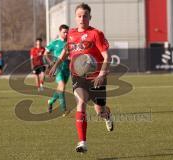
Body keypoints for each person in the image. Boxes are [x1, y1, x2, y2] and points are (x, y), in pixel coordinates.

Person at [49, 3, 113, 153]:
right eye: (79, 16)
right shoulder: (71, 34)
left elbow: (106, 56)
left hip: (96, 76)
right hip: (78, 76)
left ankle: (107, 115)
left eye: (85, 16)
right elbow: (66, 51)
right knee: (81, 103)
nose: (82, 18)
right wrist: (56, 64)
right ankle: (82, 142)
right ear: (75, 18)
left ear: (90, 17)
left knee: (99, 110)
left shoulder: (96, 34)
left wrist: (103, 73)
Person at [44, 24, 70, 117]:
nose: (66, 34)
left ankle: (51, 101)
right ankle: (64, 110)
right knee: (62, 86)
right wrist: (50, 63)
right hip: (58, 67)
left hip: (67, 68)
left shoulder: (70, 43)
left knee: (60, 88)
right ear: (60, 32)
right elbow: (45, 53)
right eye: (64, 32)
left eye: (67, 32)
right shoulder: (55, 43)